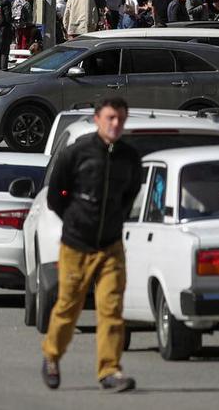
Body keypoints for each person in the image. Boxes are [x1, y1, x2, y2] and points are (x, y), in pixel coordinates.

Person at [40, 97, 142, 394]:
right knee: (68, 307)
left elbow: (130, 195)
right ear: (98, 119)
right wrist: (75, 221)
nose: (116, 124)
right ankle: (51, 357)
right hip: (76, 245)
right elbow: (56, 197)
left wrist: (114, 221)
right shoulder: (77, 152)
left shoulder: (129, 157)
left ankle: (110, 371)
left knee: (111, 308)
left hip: (111, 246)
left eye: (121, 119)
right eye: (110, 118)